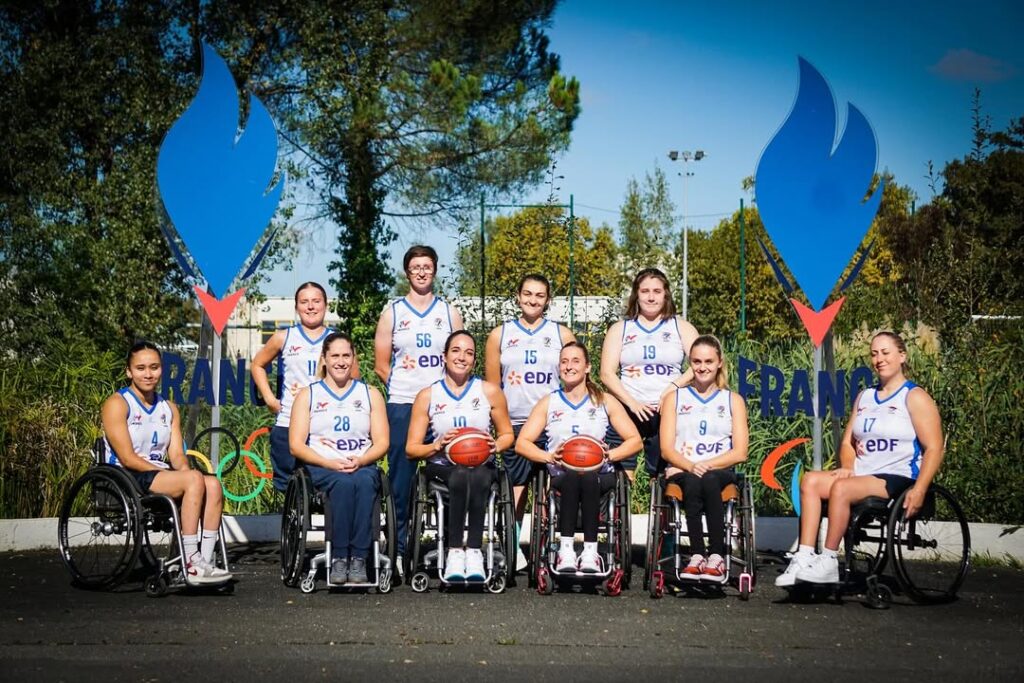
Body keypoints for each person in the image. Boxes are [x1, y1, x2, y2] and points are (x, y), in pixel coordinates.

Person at [776, 331, 945, 587]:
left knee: (841, 488)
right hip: (863, 473)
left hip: (898, 476)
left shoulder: (914, 397)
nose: (879, 359)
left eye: (885, 353)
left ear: (902, 356)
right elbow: (847, 443)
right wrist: (847, 466)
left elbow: (934, 448)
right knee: (810, 481)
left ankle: (830, 560)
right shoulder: (865, 397)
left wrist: (920, 489)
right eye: (874, 354)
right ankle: (804, 557)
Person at [101, 341, 232, 584]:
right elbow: (128, 458)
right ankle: (190, 560)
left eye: (154, 367)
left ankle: (204, 560)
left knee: (212, 484)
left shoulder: (168, 407)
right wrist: (183, 477)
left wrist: (186, 474)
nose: (148, 374)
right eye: (140, 368)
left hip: (158, 474)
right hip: (127, 474)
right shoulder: (117, 404)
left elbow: (178, 456)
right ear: (129, 371)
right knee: (193, 479)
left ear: (162, 369)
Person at [516, 342, 641, 573]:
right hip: (562, 475)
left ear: (587, 367)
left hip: (600, 476)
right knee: (574, 476)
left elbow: (635, 440)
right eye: (564, 361)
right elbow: (522, 443)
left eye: (575, 361)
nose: (569, 366)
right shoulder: (549, 402)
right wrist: (549, 456)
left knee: (588, 476)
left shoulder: (604, 401)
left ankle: (590, 552)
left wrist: (609, 455)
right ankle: (566, 551)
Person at [374, 246, 463, 567]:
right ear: (407, 272)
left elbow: (461, 357)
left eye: (427, 266)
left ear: (435, 270)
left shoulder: (450, 313)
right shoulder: (393, 313)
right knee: (401, 480)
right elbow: (382, 365)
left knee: (451, 472)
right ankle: (397, 547)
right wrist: (405, 389)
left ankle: (451, 548)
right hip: (403, 403)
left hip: (441, 407)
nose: (422, 272)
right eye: (415, 267)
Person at [405, 330, 513, 582]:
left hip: (481, 464)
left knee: (475, 474)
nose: (462, 357)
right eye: (456, 350)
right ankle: (455, 551)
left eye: (468, 353)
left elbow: (508, 434)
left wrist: (496, 445)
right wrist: (437, 445)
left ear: (474, 360)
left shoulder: (489, 391)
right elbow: (411, 448)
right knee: (462, 474)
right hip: (442, 465)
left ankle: (473, 551)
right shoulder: (428, 395)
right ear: (444, 357)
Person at [485, 273, 575, 569]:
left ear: (548, 300)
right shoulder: (500, 334)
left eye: (539, 295)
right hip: (515, 420)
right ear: (518, 296)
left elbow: (572, 379)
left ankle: (555, 544)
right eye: (527, 294)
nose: (533, 300)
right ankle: (512, 545)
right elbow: (492, 386)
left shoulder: (562, 334)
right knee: (517, 488)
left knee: (555, 486)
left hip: (552, 422)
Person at [289, 333, 388, 584]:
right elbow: (296, 445)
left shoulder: (370, 394)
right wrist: (328, 463)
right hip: (323, 465)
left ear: (354, 358)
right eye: (335, 355)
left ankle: (359, 558)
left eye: (346, 355)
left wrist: (362, 460)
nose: (341, 361)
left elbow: (383, 442)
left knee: (365, 483)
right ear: (324, 359)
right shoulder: (308, 395)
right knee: (343, 484)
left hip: (361, 463)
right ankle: (340, 557)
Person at [658, 335, 749, 581]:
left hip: (718, 470)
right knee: (695, 480)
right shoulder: (674, 398)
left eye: (709, 361)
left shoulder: (733, 400)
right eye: (697, 361)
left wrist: (704, 465)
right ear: (690, 363)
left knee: (707, 479)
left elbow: (741, 452)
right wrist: (689, 465)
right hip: (684, 469)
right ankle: (698, 555)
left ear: (719, 362)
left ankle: (716, 556)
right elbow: (666, 448)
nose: (702, 367)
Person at [600, 268, 699, 480]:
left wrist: (672, 389)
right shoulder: (621, 328)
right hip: (629, 408)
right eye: (645, 291)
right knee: (621, 474)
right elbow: (607, 373)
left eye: (657, 291)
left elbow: (699, 365)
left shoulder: (681, 327)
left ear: (666, 294)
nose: (651, 297)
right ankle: (620, 510)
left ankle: (661, 510)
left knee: (662, 473)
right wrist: (632, 402)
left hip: (666, 409)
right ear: (636, 294)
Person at [252, 282, 338, 492]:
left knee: (327, 485)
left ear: (325, 305)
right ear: (297, 307)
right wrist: (270, 399)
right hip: (288, 421)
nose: (310, 307)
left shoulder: (336, 339)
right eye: (304, 302)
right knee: (289, 487)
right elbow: (257, 365)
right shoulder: (284, 336)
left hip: (324, 423)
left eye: (316, 301)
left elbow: (354, 378)